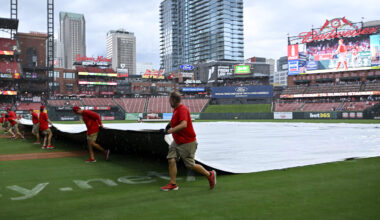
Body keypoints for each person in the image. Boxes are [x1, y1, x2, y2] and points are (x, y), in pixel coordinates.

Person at [160, 91, 216, 191]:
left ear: (173, 100)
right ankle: (173, 184)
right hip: (177, 141)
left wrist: (170, 130)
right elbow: (174, 121)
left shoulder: (182, 109)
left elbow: (183, 124)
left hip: (187, 142)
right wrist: (168, 126)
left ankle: (209, 174)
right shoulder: (176, 110)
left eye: (169, 100)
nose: (169, 102)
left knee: (190, 165)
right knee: (171, 159)